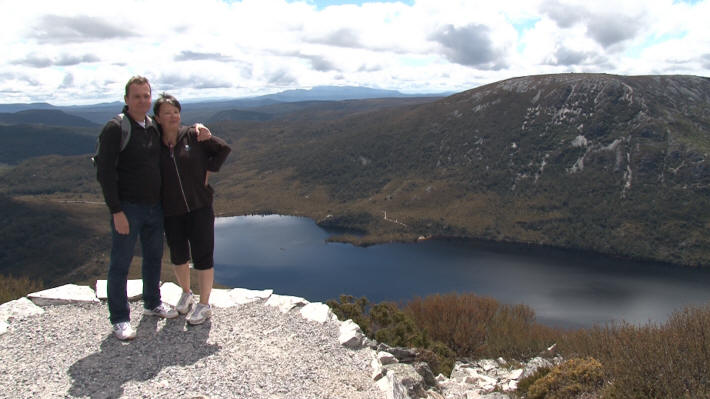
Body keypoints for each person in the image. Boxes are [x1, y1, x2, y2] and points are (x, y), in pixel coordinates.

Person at [96, 76, 210, 340]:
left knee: (153, 258)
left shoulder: (151, 126)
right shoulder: (116, 128)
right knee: (121, 263)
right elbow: (104, 172)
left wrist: (198, 127)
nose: (143, 100)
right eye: (137, 96)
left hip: (155, 207)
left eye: (146, 96)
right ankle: (120, 318)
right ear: (127, 99)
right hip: (128, 208)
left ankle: (151, 303)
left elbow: (175, 128)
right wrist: (116, 211)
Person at [153, 93, 231, 325]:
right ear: (157, 118)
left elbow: (223, 149)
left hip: (200, 206)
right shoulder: (152, 142)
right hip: (171, 209)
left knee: (203, 255)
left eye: (176, 111)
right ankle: (186, 293)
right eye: (167, 112)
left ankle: (204, 304)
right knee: (178, 254)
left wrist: (206, 173)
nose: (173, 116)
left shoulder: (193, 135)